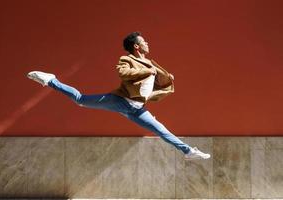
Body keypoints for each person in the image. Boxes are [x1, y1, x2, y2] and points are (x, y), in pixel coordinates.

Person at [27, 32, 210, 160]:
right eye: (144, 41)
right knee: (81, 100)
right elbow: (124, 74)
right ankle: (51, 80)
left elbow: (147, 87)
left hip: (137, 109)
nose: (148, 43)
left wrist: (166, 79)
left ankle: (188, 152)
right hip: (120, 101)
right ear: (137, 46)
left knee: (161, 130)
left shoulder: (149, 63)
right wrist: (148, 71)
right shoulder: (127, 59)